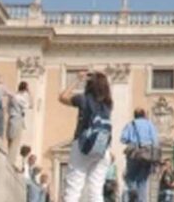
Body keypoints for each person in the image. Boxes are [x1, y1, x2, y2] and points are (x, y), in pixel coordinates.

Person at [59, 70, 114, 202]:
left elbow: (62, 97)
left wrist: (77, 79)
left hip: (83, 145)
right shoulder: (108, 104)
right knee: (96, 191)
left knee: (74, 187)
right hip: (102, 148)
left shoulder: (83, 99)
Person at [122, 108, 161, 202]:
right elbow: (155, 141)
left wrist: (131, 141)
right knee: (143, 182)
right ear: (144, 115)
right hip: (147, 155)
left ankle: (133, 190)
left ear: (134, 115)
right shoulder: (149, 124)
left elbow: (123, 138)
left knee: (130, 177)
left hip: (134, 154)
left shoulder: (130, 124)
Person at [1, 80, 32, 168]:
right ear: (25, 89)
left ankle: (9, 160)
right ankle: (10, 163)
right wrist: (30, 93)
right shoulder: (20, 98)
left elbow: (7, 107)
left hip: (11, 118)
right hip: (17, 119)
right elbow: (31, 105)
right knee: (15, 141)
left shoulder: (13, 96)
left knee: (10, 140)